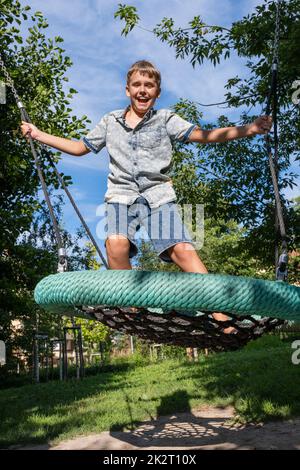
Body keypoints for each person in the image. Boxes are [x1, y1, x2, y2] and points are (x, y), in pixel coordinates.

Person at [21, 60, 272, 333]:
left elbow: (203, 135)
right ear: (127, 90)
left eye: (149, 85)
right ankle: (132, 312)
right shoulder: (110, 121)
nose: (143, 90)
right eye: (137, 85)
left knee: (183, 251)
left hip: (157, 195)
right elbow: (80, 147)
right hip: (120, 195)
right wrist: (38, 134)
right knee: (115, 245)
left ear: (157, 91)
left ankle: (223, 317)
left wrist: (250, 129)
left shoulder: (166, 119)